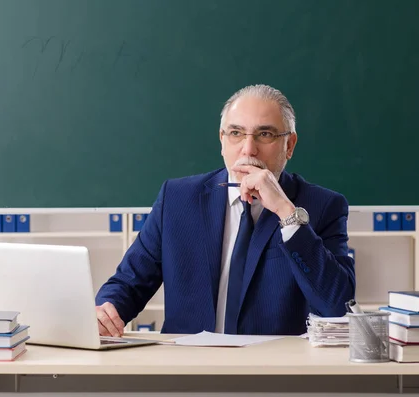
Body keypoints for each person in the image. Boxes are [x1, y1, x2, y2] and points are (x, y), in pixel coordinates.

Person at [95, 84, 355, 336]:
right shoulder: (178, 199)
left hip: (274, 371)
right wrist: (106, 312)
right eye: (236, 133)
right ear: (222, 141)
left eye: (265, 134)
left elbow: (337, 307)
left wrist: (286, 214)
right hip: (188, 368)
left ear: (289, 145)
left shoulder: (323, 206)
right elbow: (129, 283)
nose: (248, 148)